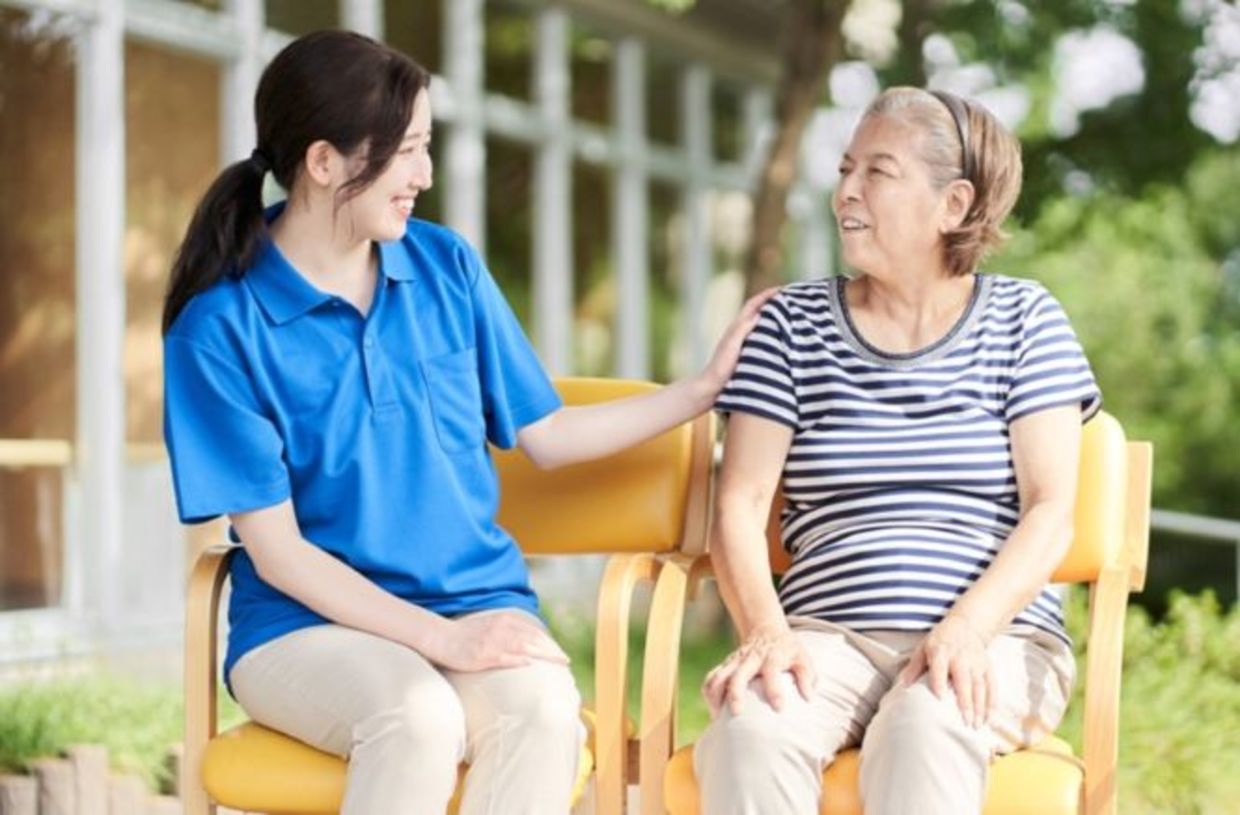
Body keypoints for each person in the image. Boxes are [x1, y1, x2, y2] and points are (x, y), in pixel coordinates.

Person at [162, 30, 771, 815]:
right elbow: (277, 554)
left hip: (477, 603)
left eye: (427, 146)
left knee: (546, 715)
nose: (425, 174)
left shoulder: (445, 266)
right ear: (324, 163)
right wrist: (441, 642)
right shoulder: (220, 328)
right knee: (416, 718)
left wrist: (698, 391)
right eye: (406, 150)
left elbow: (547, 435)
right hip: (302, 627)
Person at [693, 86, 1101, 815]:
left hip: (995, 638)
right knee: (751, 727)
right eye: (846, 168)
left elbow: (1051, 510)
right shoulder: (791, 324)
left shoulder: (1025, 318)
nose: (845, 190)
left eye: (877, 171)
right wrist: (765, 632)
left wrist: (966, 630)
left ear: (953, 204)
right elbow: (740, 502)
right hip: (826, 639)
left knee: (923, 724)